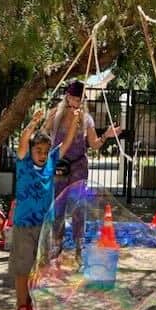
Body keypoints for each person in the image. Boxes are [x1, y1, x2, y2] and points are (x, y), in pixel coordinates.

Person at [9, 107, 80, 310]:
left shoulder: (50, 162)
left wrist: (75, 119)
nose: (41, 154)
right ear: (31, 150)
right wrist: (32, 124)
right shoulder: (23, 162)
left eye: (44, 150)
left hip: (44, 226)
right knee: (22, 269)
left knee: (38, 269)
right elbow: (22, 143)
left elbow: (67, 142)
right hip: (24, 225)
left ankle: (29, 305)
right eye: (37, 150)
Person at [43, 80, 121, 258]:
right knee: (58, 204)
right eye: (72, 97)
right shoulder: (55, 114)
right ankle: (57, 242)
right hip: (60, 165)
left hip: (79, 165)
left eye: (79, 99)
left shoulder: (86, 118)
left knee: (79, 205)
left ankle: (79, 243)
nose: (75, 101)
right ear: (67, 97)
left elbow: (93, 145)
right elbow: (43, 134)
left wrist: (106, 136)